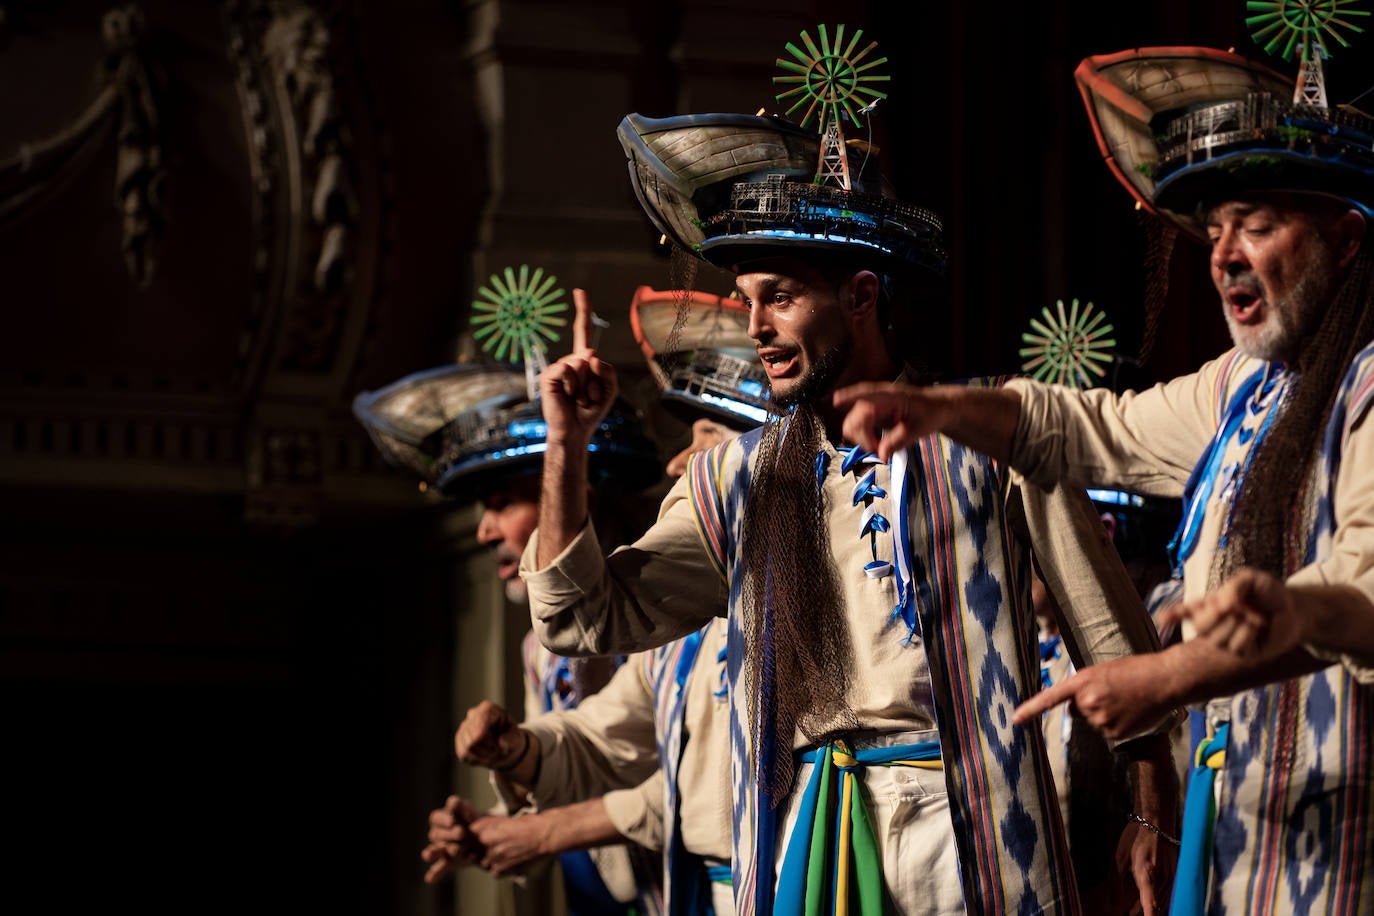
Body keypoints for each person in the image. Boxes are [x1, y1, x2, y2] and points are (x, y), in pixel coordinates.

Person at [522, 104, 1182, 915]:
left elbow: (1112, 641)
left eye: (783, 298)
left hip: (972, 834)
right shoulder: (735, 478)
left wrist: (1155, 810)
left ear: (862, 294)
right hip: (809, 835)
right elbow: (578, 618)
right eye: (747, 299)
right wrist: (566, 446)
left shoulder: (988, 436)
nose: (756, 328)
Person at [832, 45, 1374, 914]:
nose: (1223, 254)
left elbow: (1368, 594)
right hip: (1244, 829)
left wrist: (1199, 662)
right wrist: (936, 409)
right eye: (1216, 228)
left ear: (1346, 241)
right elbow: (1095, 430)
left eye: (1257, 226)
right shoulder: (1245, 388)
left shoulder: (1368, 386)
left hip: (1343, 843)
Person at [424, 285, 766, 915]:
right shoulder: (652, 641)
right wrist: (513, 769)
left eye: (707, 437)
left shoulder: (785, 608)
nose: (679, 464)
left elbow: (712, 786)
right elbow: (599, 744)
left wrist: (540, 829)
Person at [352, 294, 665, 915]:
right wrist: (492, 821)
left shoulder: (671, 623)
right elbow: (567, 773)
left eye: (501, 502)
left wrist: (535, 829)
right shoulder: (538, 652)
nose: (484, 530)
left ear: (580, 491)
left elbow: (700, 788)